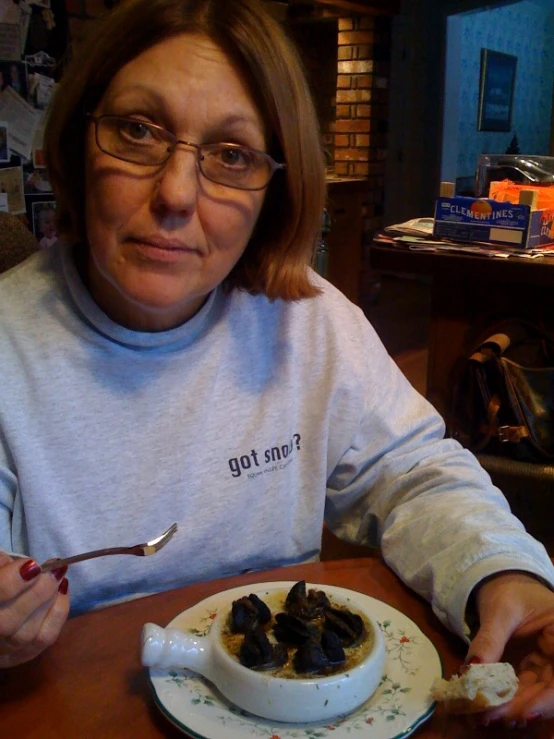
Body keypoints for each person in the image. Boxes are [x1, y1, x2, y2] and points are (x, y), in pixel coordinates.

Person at [0, 0, 553, 727]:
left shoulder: (311, 321)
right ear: (77, 144)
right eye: (137, 131)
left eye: (231, 155)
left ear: (274, 191)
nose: (174, 194)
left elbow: (413, 473)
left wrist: (503, 570)